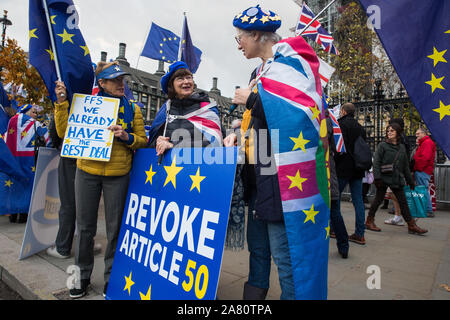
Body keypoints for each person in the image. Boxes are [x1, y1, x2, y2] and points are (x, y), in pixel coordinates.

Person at [54, 61, 147, 299]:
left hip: (118, 175)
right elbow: (64, 132)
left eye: (122, 80)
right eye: (114, 80)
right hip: (87, 172)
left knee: (115, 229)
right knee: (85, 228)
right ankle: (80, 277)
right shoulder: (85, 105)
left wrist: (126, 136)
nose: (120, 84)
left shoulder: (133, 109)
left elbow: (142, 140)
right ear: (102, 83)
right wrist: (62, 103)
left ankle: (111, 279)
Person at [223, 5, 296, 300]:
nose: (238, 44)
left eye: (239, 37)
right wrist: (238, 133)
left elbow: (296, 117)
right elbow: (261, 123)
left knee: (282, 253)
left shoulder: (290, 65)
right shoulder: (259, 70)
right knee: (258, 249)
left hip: (279, 171)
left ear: (255, 34)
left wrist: (251, 98)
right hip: (256, 167)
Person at [46, 82, 101, 259]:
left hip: (71, 156)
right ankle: (85, 244)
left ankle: (63, 247)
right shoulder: (98, 99)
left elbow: (57, 133)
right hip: (88, 155)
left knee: (70, 204)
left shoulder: (74, 100)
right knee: (85, 204)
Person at [365, 123, 427, 235]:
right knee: (378, 200)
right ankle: (369, 221)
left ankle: (411, 225)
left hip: (396, 179)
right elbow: (377, 162)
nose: (389, 132)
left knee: (403, 202)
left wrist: (410, 181)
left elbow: (405, 166)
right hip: (383, 178)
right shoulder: (382, 145)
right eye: (388, 131)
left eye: (392, 131)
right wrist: (377, 178)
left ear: (398, 133)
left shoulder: (402, 147)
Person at [148, 61, 223, 153]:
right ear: (171, 85)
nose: (186, 82)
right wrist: (158, 142)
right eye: (180, 79)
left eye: (189, 78)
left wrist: (174, 146)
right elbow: (150, 146)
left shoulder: (205, 107)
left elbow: (215, 142)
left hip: (199, 165)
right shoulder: (165, 110)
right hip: (170, 166)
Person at [5, 104, 51, 223]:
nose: (36, 115)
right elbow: (48, 139)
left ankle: (13, 215)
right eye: (34, 112)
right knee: (27, 185)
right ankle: (24, 215)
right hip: (28, 159)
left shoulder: (11, 122)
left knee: (14, 185)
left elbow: (4, 138)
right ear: (26, 112)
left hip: (13, 159)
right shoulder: (36, 124)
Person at [334, 103, 367, 245]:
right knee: (358, 201)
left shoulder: (340, 125)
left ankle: (335, 229)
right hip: (358, 168)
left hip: (343, 167)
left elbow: (338, 148)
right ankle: (360, 234)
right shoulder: (360, 128)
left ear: (343, 111)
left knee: (335, 199)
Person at [326, 110, 349, 258]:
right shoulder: (329, 118)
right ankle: (343, 245)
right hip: (328, 169)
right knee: (334, 211)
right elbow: (338, 148)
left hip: (314, 171)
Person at [412, 127, 436, 218]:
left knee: (423, 190)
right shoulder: (424, 143)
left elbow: (425, 158)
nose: (416, 135)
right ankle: (426, 209)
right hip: (422, 170)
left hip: (422, 170)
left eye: (418, 134)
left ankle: (429, 210)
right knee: (423, 189)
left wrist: (417, 168)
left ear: (424, 133)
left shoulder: (427, 143)